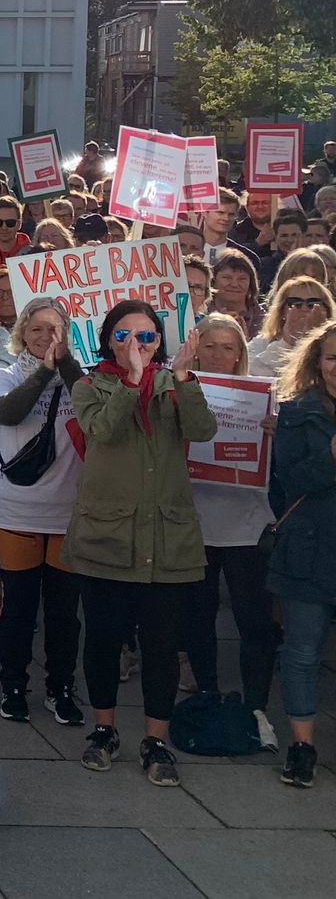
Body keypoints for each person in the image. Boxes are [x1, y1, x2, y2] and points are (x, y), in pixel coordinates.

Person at [67, 301, 213, 787]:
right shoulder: (91, 385)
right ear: (109, 340)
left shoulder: (176, 385)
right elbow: (101, 432)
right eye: (126, 336)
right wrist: (130, 383)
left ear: (161, 343)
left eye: (147, 337)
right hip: (108, 536)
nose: (137, 346)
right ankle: (104, 729)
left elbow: (202, 431)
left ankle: (156, 738)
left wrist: (186, 378)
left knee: (161, 644)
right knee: (105, 639)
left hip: (164, 537)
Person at [0, 298, 85, 726]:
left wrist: (66, 367)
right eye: (37, 329)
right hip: (15, 512)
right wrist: (45, 371)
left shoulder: (81, 379)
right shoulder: (7, 375)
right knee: (20, 606)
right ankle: (13, 684)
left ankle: (60, 687)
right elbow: (6, 413)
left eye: (55, 330)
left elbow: (96, 413)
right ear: (22, 332)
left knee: (63, 610)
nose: (46, 338)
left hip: (67, 513)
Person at [180, 314, 280, 752]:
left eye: (229, 347)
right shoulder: (178, 388)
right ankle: (208, 694)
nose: (220, 355)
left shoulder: (264, 396)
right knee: (198, 616)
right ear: (196, 348)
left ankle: (256, 706)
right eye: (212, 345)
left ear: (241, 353)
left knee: (253, 619)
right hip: (196, 521)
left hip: (247, 523)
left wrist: (279, 433)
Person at [269, 319, 336, 788]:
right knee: (302, 651)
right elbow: (288, 484)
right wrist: (330, 456)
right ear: (318, 362)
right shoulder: (296, 412)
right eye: (333, 357)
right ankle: (301, 746)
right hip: (309, 551)